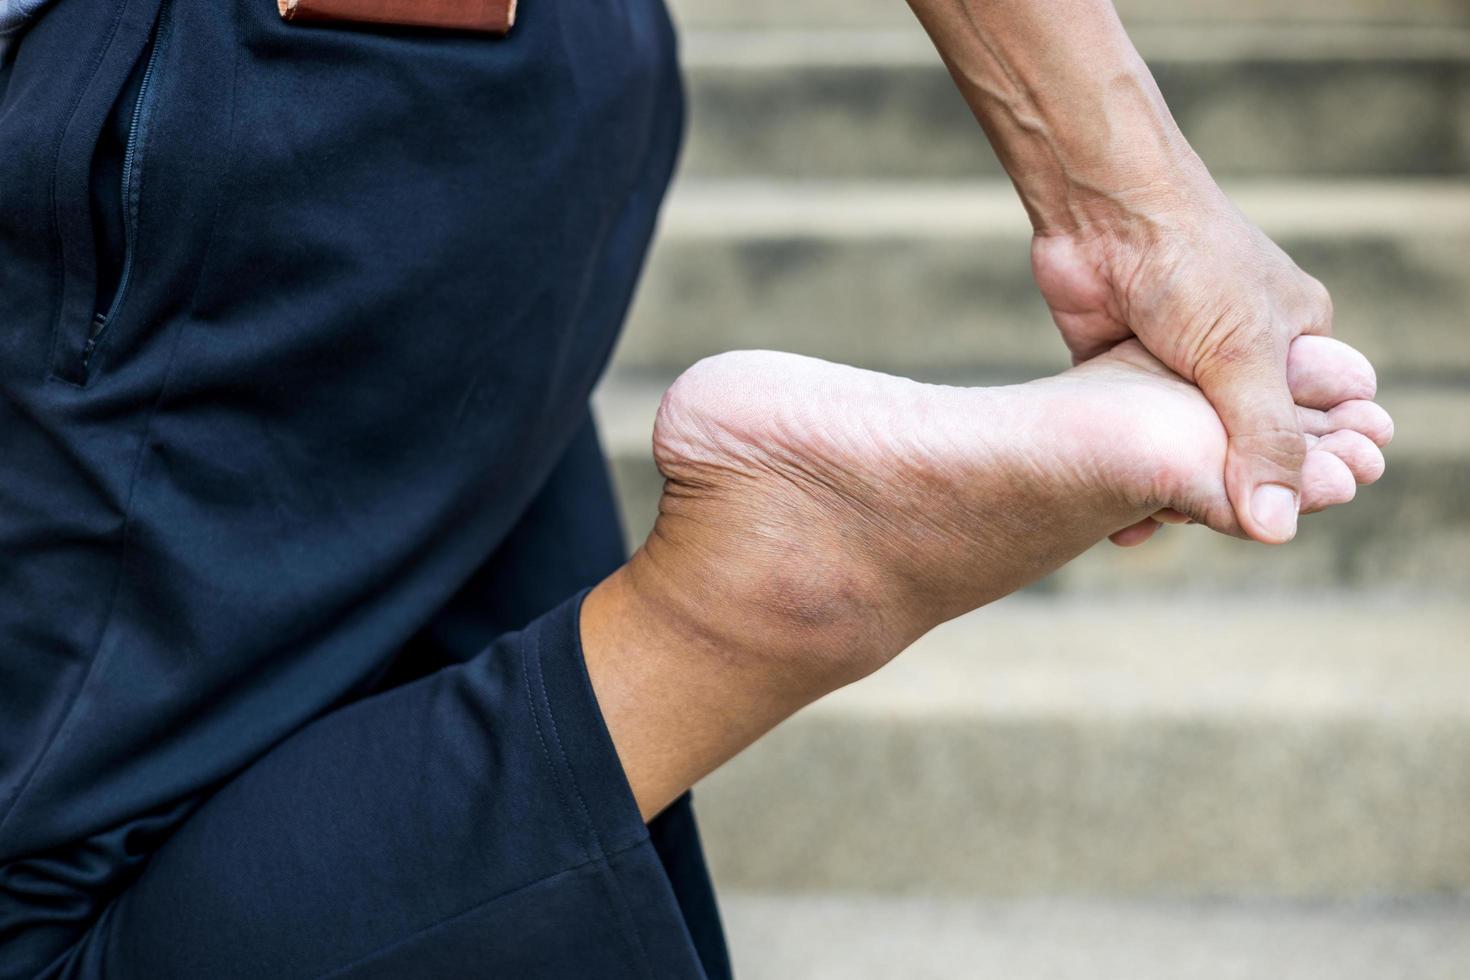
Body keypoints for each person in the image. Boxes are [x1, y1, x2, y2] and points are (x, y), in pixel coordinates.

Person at [0, 0, 1388, 976]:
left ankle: (745, 605)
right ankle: (725, 619)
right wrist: (1120, 198)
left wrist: (1120, 206)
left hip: (206, 122)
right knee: (386, 792)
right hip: (485, 104)